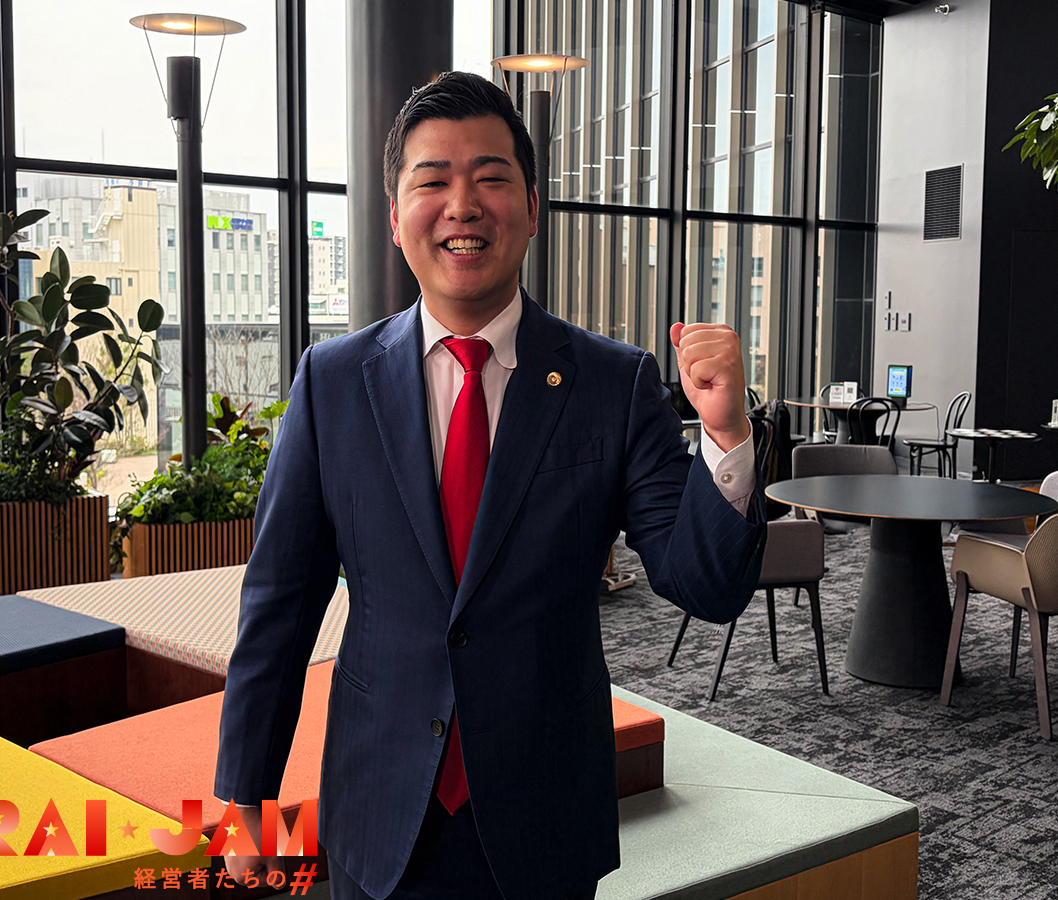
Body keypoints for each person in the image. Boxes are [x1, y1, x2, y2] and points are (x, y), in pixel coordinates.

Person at [215, 71, 766, 900]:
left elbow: (706, 587)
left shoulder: (613, 384)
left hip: (544, 816)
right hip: (377, 808)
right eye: (432, 180)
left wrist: (725, 432)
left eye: (491, 178)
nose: (463, 206)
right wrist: (242, 798)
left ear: (533, 208)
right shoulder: (332, 383)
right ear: (394, 216)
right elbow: (279, 607)